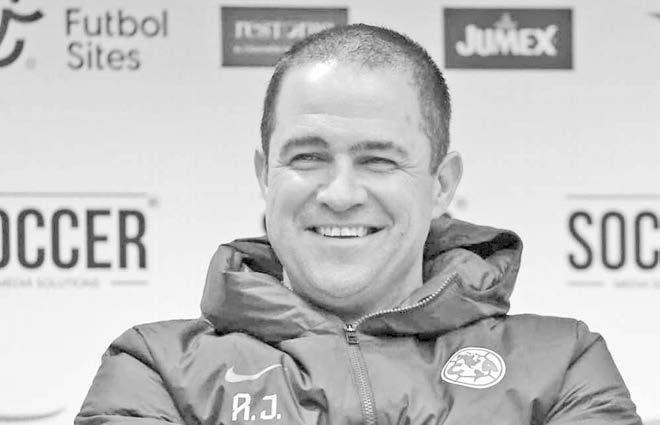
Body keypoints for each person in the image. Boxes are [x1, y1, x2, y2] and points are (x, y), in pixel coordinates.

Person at [76, 24, 641, 425]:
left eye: (378, 160)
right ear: (265, 175)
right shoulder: (156, 367)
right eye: (308, 157)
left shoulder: (560, 362)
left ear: (441, 185)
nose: (340, 194)